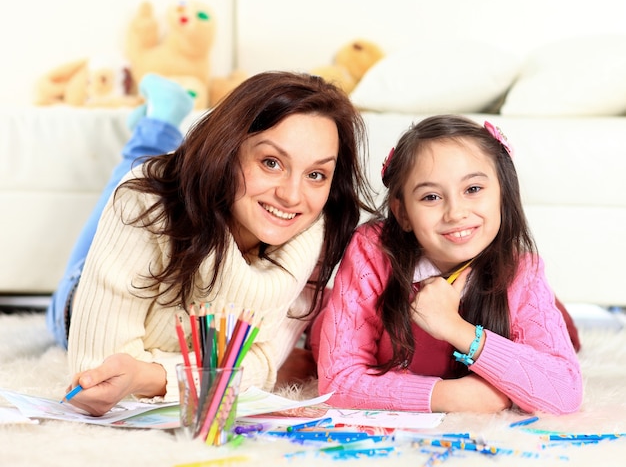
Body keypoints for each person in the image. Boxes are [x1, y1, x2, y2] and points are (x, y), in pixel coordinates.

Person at [48, 71, 374, 416]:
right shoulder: (143, 204)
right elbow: (97, 364)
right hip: (85, 286)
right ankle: (159, 120)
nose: (293, 196)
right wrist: (221, 372)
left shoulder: (316, 232)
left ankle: (160, 126)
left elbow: (263, 368)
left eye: (315, 174)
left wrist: (149, 376)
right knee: (135, 180)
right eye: (271, 162)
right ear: (228, 150)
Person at [312, 115, 583, 415]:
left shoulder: (522, 271)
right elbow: (338, 379)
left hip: (514, 299)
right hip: (341, 315)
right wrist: (448, 396)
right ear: (402, 213)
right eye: (431, 197)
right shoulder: (372, 250)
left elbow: (564, 392)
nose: (455, 213)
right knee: (320, 325)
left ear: (503, 194)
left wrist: (455, 328)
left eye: (473, 189)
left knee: (562, 335)